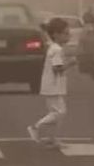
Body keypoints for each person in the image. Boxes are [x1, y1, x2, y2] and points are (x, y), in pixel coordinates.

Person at [28, 17, 74, 146]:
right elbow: (57, 68)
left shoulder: (54, 47)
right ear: (56, 34)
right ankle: (36, 127)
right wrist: (71, 63)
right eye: (65, 33)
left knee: (55, 113)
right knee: (60, 112)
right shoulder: (57, 50)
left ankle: (53, 138)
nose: (68, 36)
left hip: (52, 86)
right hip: (53, 86)